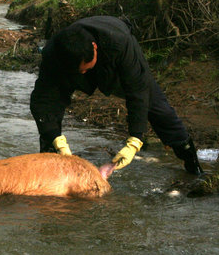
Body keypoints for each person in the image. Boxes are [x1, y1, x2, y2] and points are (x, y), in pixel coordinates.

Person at [30, 15, 203, 175]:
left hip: (115, 65)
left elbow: (138, 93)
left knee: (160, 110)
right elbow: (43, 101)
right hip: (71, 66)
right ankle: (51, 168)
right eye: (79, 71)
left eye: (85, 68)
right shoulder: (54, 53)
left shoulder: (121, 43)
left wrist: (135, 140)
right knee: (49, 123)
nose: (82, 72)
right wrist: (55, 139)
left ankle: (192, 165)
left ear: (94, 48)